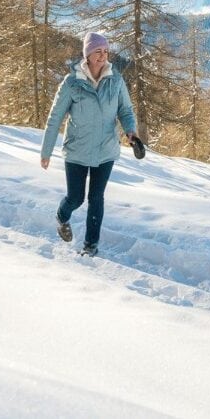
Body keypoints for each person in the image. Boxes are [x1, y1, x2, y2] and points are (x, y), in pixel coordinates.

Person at [41, 32, 138, 256]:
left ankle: (90, 246)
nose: (103, 55)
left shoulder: (115, 80)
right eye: (97, 51)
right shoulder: (71, 83)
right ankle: (62, 217)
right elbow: (55, 118)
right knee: (76, 198)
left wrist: (131, 131)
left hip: (105, 150)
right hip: (77, 150)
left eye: (106, 51)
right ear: (87, 54)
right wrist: (46, 151)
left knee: (96, 198)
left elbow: (125, 110)